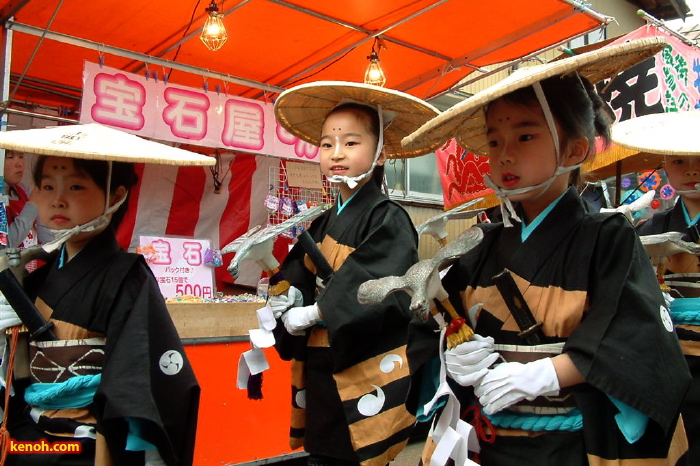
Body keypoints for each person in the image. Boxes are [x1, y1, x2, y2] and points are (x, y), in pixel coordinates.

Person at [401, 37, 691, 465]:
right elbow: (439, 321)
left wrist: (546, 373)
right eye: (495, 142)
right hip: (488, 437)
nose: (505, 155)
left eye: (525, 135)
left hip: (571, 443)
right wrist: (450, 353)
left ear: (574, 149)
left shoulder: (607, 235)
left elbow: (634, 333)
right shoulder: (481, 242)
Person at [0, 132, 203, 465]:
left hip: (90, 447)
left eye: (76, 187)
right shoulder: (36, 276)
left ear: (116, 195)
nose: (58, 200)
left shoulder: (127, 277)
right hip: (28, 439)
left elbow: (136, 381)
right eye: (48, 186)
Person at [271, 81, 440, 466]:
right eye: (327, 144)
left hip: (359, 363)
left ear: (380, 155)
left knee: (353, 453)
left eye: (350, 142)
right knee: (323, 453)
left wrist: (317, 313)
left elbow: (379, 282)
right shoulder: (322, 221)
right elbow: (297, 271)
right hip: (319, 363)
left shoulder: (389, 218)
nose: (336, 153)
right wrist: (286, 298)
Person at [615, 110, 700, 465]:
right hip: (666, 355)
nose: (691, 170)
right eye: (679, 160)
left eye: (699, 159)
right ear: (665, 164)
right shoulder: (652, 227)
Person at [3, 150, 51, 251]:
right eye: (10, 157)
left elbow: (42, 228)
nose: (19, 164)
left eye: (21, 157)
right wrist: (32, 205)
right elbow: (5, 245)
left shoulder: (23, 190)